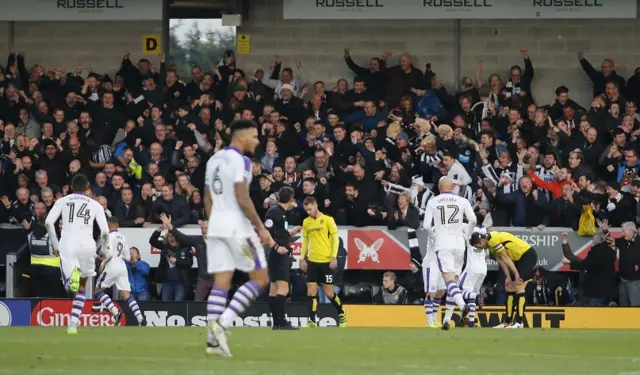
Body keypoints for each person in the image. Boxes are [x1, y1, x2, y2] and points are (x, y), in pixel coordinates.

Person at [204, 119, 273, 358]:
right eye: (254, 136)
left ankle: (212, 342)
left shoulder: (213, 159)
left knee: (221, 282)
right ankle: (223, 322)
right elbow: (242, 197)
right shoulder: (241, 160)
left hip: (216, 226)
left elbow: (207, 197)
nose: (257, 140)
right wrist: (260, 227)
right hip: (236, 227)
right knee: (261, 276)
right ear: (241, 137)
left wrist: (215, 223)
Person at [45, 174, 109, 335]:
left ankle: (70, 281)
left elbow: (48, 222)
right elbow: (105, 232)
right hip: (88, 246)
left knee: (70, 286)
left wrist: (55, 244)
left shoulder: (63, 200)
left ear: (72, 187)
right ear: (87, 188)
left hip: (68, 244)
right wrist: (103, 250)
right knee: (82, 286)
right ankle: (72, 325)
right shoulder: (95, 205)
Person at [423, 176, 476, 330]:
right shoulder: (463, 201)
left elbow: (426, 225)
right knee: (455, 281)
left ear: (439, 188)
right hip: (459, 244)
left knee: (448, 280)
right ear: (453, 187)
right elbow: (472, 220)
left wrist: (435, 237)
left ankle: (462, 304)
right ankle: (446, 320)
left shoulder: (433, 202)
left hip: (443, 244)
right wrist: (466, 236)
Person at [470, 230, 538, 329]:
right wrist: (508, 277)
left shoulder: (493, 239)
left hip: (527, 255)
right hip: (517, 259)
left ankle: (519, 322)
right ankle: (507, 322)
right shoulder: (489, 244)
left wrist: (516, 274)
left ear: (481, 241)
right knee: (509, 287)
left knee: (519, 285)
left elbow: (505, 257)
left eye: (478, 246)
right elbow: (501, 261)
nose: (480, 248)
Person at [300, 196, 347, 328]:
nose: (308, 212)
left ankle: (341, 313)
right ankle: (312, 321)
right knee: (311, 291)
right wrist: (302, 258)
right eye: (306, 210)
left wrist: (333, 257)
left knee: (329, 293)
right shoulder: (306, 222)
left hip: (326, 261)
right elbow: (305, 241)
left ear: (315, 205)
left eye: (310, 209)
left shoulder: (328, 220)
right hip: (312, 262)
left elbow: (335, 239)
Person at [93, 216, 146, 326]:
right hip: (122, 267)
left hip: (110, 266)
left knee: (97, 291)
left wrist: (102, 263)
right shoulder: (123, 237)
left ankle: (116, 312)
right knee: (126, 295)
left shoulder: (107, 237)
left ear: (108, 225)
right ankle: (140, 318)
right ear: (117, 225)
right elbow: (127, 257)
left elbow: (105, 253)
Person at [264, 186, 301, 330]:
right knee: (283, 288)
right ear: (291, 199)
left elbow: (278, 232)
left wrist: (290, 233)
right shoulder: (274, 212)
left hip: (277, 255)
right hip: (277, 255)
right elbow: (266, 234)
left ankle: (277, 323)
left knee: (274, 289)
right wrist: (277, 247)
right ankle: (282, 322)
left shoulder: (281, 213)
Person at [422, 235, 446, 328]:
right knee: (431, 292)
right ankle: (429, 321)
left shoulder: (446, 230)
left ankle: (435, 319)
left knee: (441, 292)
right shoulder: (434, 229)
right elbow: (439, 243)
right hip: (430, 264)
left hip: (441, 264)